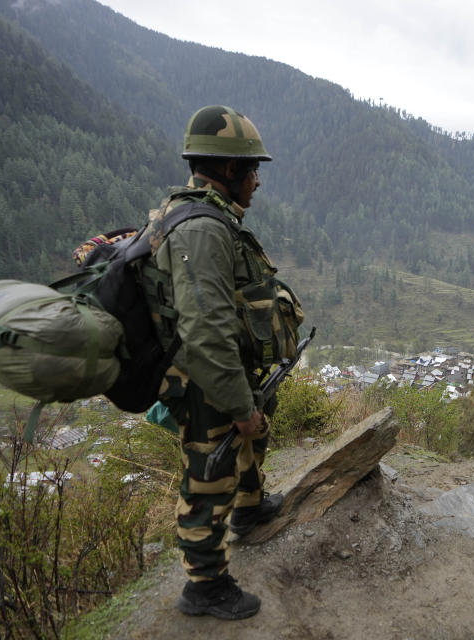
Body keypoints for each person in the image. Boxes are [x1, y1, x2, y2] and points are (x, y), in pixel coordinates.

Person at [142, 105, 301, 619]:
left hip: (225, 372)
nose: (257, 180)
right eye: (252, 169)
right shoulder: (202, 230)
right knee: (209, 477)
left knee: (251, 438)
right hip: (205, 380)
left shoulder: (205, 216)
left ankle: (251, 510)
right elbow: (206, 331)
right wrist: (236, 402)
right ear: (229, 170)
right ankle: (205, 586)